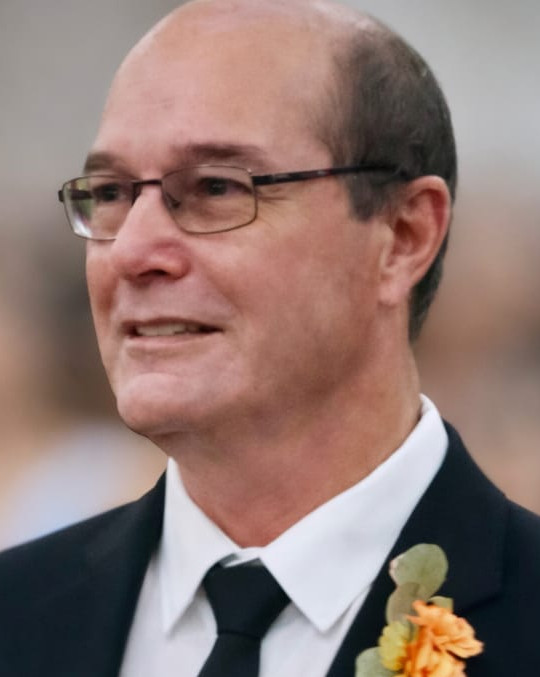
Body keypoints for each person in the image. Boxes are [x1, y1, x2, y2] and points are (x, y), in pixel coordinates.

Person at [1, 1, 539, 675]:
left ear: (404, 237)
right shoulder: (18, 614)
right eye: (110, 193)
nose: (132, 251)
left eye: (216, 187)